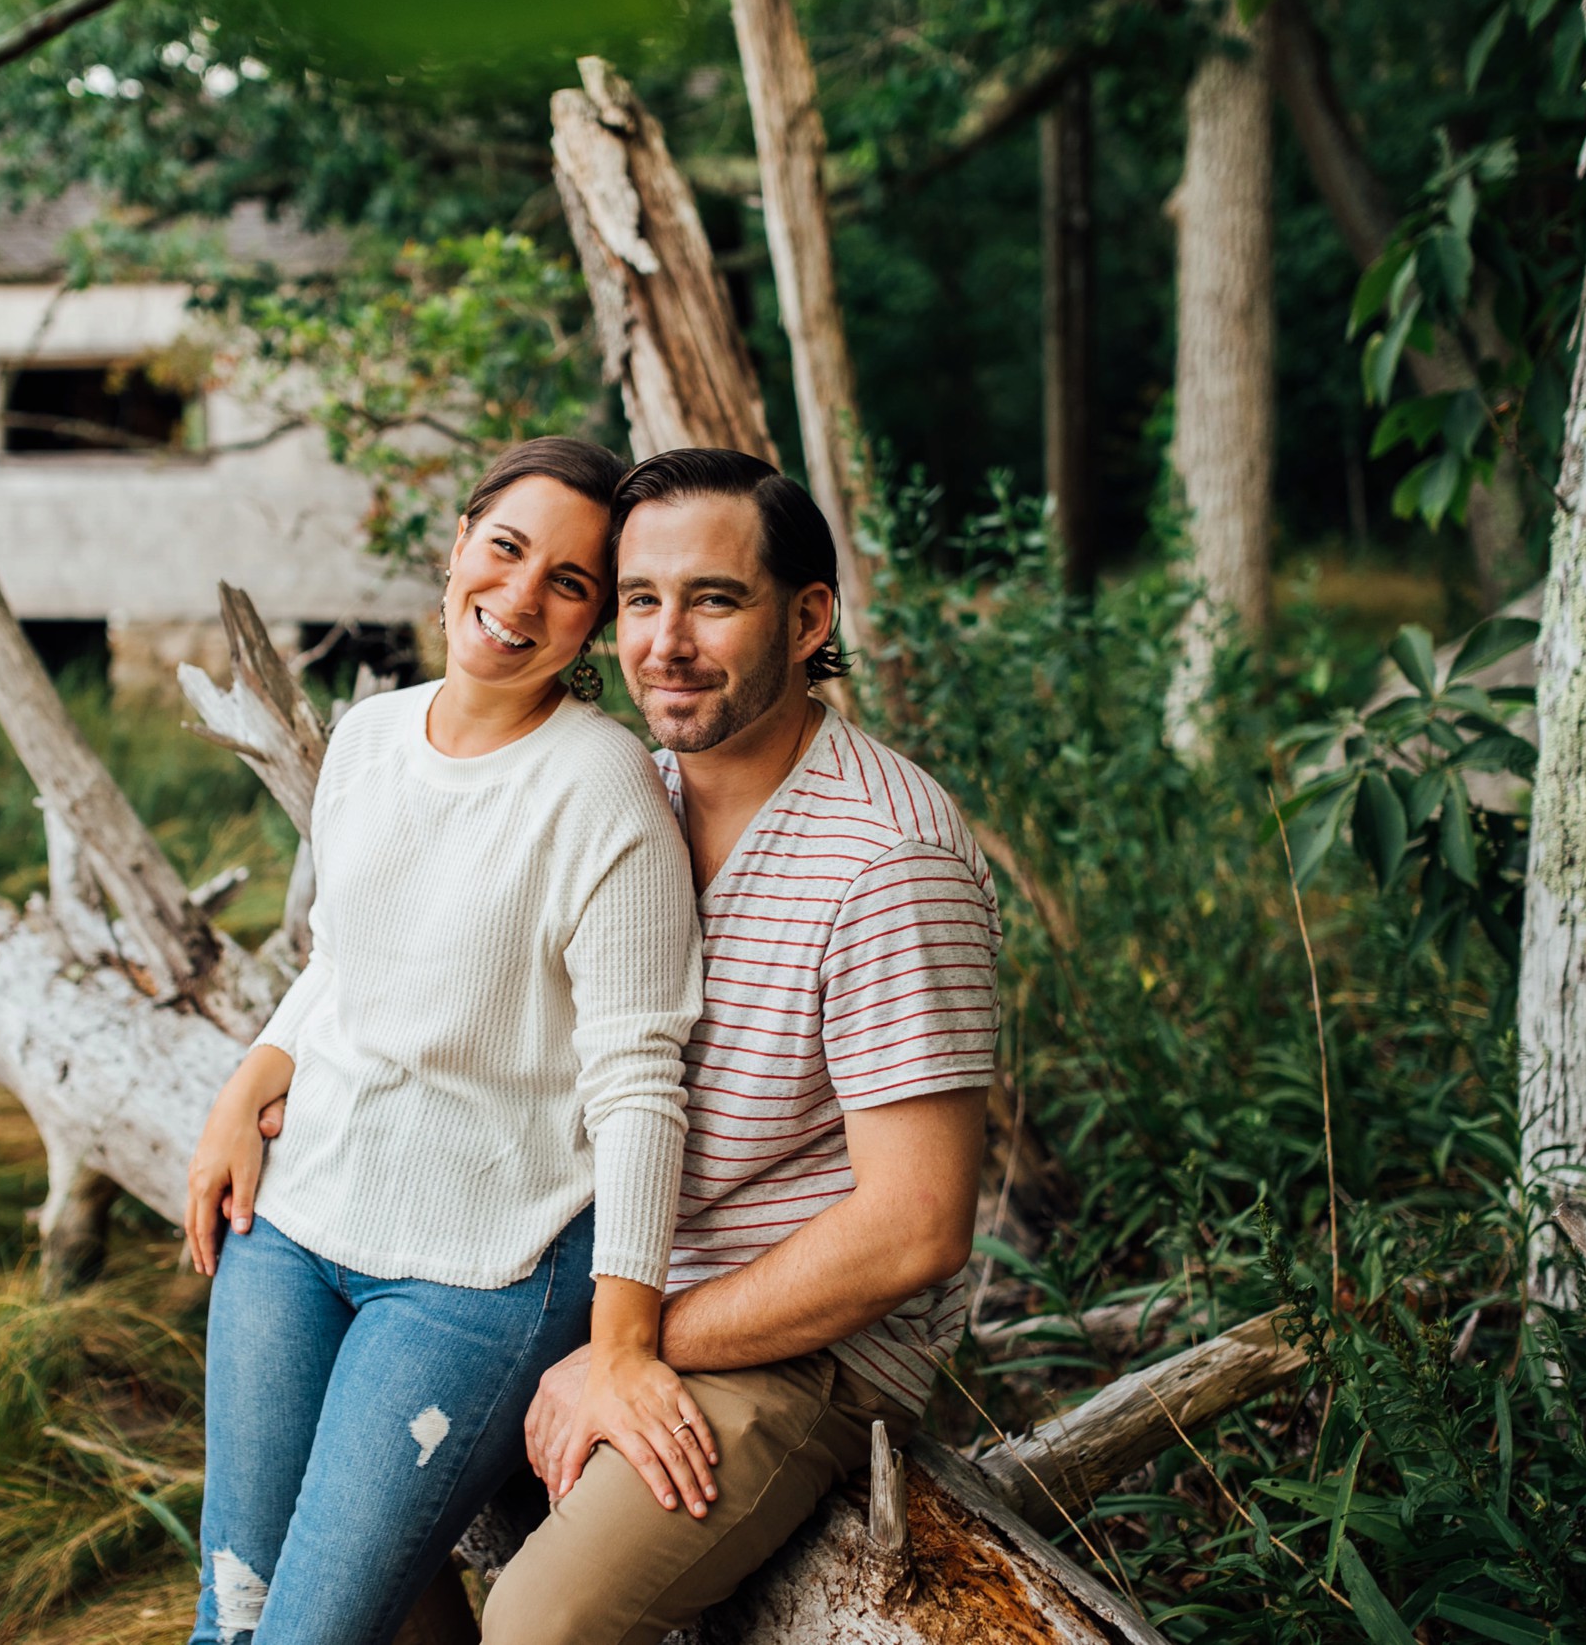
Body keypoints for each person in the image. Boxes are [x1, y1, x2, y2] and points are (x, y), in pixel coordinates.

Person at [180, 436, 714, 1645]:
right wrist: (249, 1076)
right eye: (507, 548)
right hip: (297, 1217)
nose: (521, 596)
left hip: (484, 1263)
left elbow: (641, 1086)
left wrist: (622, 1338)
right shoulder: (370, 736)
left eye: (570, 582)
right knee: (232, 1613)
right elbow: (344, 962)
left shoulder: (603, 790)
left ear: (591, 627)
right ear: (459, 545)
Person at [479, 448, 1001, 1645]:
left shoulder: (886, 857)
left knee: (540, 1622)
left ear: (809, 615)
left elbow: (915, 1226)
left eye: (713, 599)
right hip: (608, 1280)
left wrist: (629, 1344)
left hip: (799, 1346)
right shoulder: (628, 794)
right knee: (360, 1504)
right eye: (639, 598)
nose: (663, 641)